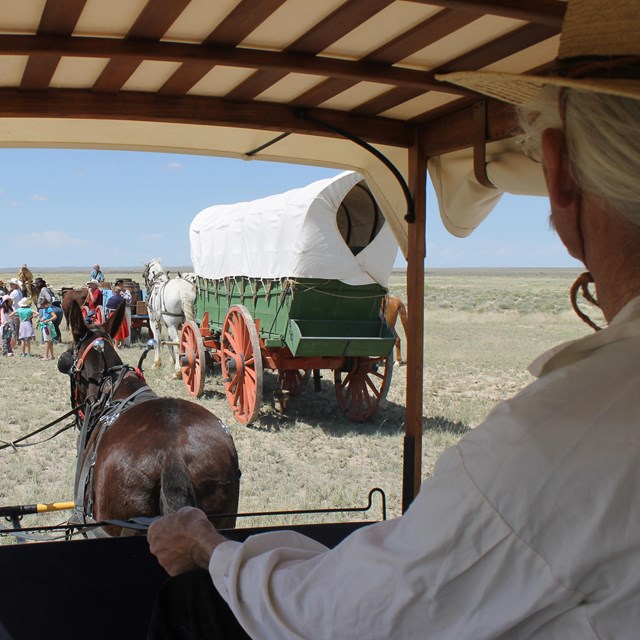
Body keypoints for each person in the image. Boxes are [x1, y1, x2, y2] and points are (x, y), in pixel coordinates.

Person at [147, 1, 640, 637]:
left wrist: (213, 553)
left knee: (190, 611)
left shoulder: (569, 432)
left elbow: (352, 616)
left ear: (560, 171)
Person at [34, 277, 63, 342]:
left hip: (49, 309)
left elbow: (49, 298)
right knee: (55, 326)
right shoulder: (48, 289)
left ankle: (44, 342)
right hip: (58, 309)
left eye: (36, 284)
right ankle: (57, 340)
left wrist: (47, 306)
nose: (35, 286)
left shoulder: (43, 290)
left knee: (44, 325)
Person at [114, 279, 132, 346]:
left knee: (127, 325)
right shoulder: (115, 292)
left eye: (121, 284)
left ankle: (127, 342)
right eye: (118, 285)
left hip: (126, 309)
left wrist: (123, 294)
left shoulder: (127, 291)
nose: (120, 286)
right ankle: (118, 341)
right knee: (119, 327)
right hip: (118, 310)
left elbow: (128, 300)